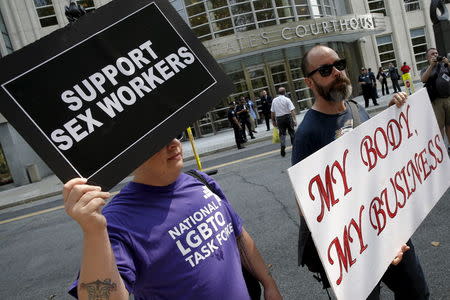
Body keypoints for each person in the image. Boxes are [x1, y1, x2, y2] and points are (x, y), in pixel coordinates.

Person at [64, 138, 282, 299]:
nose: (174, 143)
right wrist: (93, 232)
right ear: (129, 156)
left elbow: (238, 235)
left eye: (173, 132)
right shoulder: (116, 221)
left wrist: (269, 283)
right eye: (156, 140)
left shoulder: (200, 180)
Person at [292, 45, 429, 299]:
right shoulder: (307, 133)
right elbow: (307, 206)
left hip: (388, 224)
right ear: (309, 82)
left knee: (417, 293)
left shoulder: (357, 108)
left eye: (339, 65)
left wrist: (393, 119)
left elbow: (379, 162)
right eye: (325, 69)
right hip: (354, 246)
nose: (336, 72)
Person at [420, 48, 450, 152]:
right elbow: (423, 79)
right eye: (432, 54)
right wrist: (432, 66)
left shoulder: (444, 65)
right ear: (427, 57)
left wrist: (448, 63)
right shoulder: (425, 68)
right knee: (440, 126)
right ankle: (441, 150)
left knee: (449, 125)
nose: (435, 55)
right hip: (436, 101)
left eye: (436, 53)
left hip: (448, 98)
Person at [270, 87, 297, 157]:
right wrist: (294, 119)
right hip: (287, 117)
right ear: (285, 92)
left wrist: (273, 120)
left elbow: (272, 112)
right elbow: (292, 110)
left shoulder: (274, 100)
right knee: (292, 132)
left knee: (282, 134)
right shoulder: (287, 99)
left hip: (279, 119)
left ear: (278, 92)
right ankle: (294, 147)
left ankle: (283, 145)